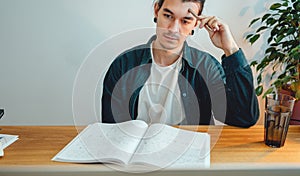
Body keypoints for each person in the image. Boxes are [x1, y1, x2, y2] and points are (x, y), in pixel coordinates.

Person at [101, 0, 259, 127]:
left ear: (196, 24)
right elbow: (111, 129)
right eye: (168, 16)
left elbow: (244, 118)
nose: (173, 29)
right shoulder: (123, 65)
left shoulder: (206, 66)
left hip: (189, 157)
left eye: (185, 20)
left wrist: (230, 48)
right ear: (157, 10)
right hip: (137, 160)